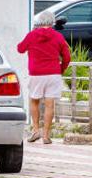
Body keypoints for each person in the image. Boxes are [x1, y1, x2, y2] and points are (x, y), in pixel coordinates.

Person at [17, 8, 71, 144]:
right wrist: (61, 69)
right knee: (49, 104)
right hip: (53, 74)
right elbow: (67, 56)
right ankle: (46, 135)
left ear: (39, 22)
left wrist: (31, 36)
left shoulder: (32, 35)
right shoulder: (58, 36)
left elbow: (20, 48)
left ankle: (36, 130)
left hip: (36, 74)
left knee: (34, 101)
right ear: (52, 22)